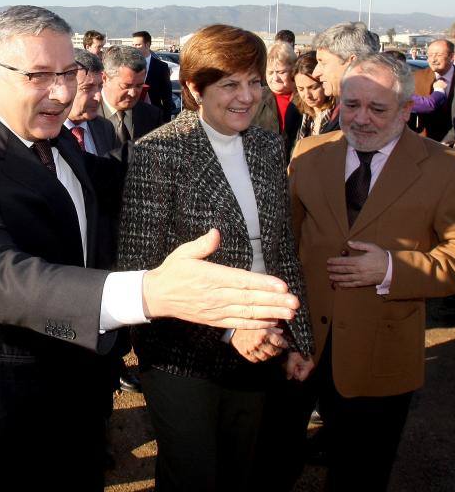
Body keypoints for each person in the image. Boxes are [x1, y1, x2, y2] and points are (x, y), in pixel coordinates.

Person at [0, 5, 300, 491]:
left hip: (77, 399)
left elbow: (129, 184)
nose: (60, 91)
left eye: (68, 73)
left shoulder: (55, 142)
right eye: (38, 75)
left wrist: (209, 137)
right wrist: (150, 293)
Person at [273, 53, 455, 491]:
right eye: (352, 105)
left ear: (407, 110)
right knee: (271, 462)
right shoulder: (310, 154)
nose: (362, 119)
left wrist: (390, 267)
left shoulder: (448, 169)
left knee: (360, 474)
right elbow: (285, 248)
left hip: (381, 352)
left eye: (378, 108)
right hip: (301, 347)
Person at [118, 24, 314, 492]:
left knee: (241, 470)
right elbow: (140, 272)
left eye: (255, 81)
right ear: (193, 88)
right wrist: (231, 328)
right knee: (194, 477)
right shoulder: (158, 152)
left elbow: (280, 250)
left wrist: (297, 336)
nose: (248, 97)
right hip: (183, 355)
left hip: (263, 343)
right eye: (230, 84)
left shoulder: (268, 147)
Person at [312, 21, 379, 134]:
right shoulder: (343, 107)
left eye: (322, 63)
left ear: (352, 62)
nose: (315, 73)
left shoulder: (367, 119)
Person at [99, 45, 163, 147]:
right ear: (105, 79)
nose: (133, 93)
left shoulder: (153, 116)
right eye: (126, 86)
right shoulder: (85, 117)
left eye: (139, 86)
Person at [254, 40, 303, 159]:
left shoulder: (306, 97)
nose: (275, 78)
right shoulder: (255, 97)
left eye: (281, 72)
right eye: (270, 72)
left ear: (293, 70)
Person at [63, 48, 116, 156]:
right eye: (87, 88)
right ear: (62, 87)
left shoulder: (105, 128)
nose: (98, 96)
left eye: (100, 87)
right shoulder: (45, 133)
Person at [411, 39, 455, 140]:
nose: (433, 59)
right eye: (430, 55)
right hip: (424, 141)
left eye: (438, 55)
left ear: (451, 56)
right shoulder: (417, 77)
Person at [291, 50, 334, 141]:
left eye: (313, 88)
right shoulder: (298, 115)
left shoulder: (338, 117)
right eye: (301, 89)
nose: (307, 95)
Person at [132, 30, 174, 121]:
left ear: (147, 45)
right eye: (133, 45)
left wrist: (166, 120)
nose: (134, 48)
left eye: (138, 45)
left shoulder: (161, 67)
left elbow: (167, 96)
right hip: (132, 114)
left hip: (153, 115)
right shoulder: (128, 66)